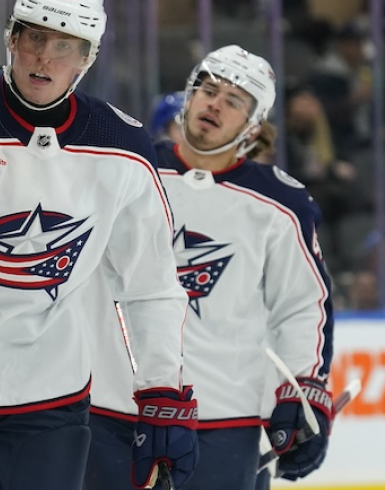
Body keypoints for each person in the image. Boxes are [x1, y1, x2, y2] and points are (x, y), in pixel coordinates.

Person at [0, 1, 198, 489]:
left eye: (64, 46)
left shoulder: (121, 145)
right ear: (11, 38)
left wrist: (161, 389)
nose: (44, 58)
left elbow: (150, 283)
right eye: (35, 39)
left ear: (88, 58)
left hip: (45, 396)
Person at [85, 45, 336, 490]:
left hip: (222, 422)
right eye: (208, 89)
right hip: (110, 406)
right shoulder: (128, 166)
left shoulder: (281, 204)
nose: (215, 103)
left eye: (234, 100)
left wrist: (303, 389)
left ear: (253, 125)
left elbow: (302, 306)